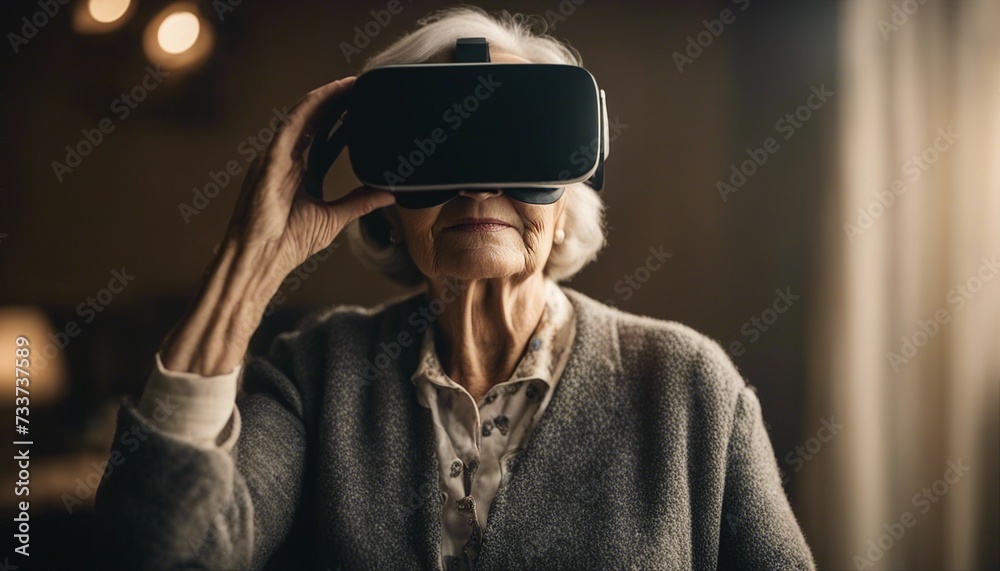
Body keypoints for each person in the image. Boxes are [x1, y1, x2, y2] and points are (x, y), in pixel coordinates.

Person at [95, 6, 815, 570]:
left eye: (513, 142)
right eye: (439, 147)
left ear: (568, 197)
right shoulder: (314, 373)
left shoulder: (688, 387)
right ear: (388, 198)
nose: (476, 182)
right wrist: (251, 260)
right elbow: (160, 555)